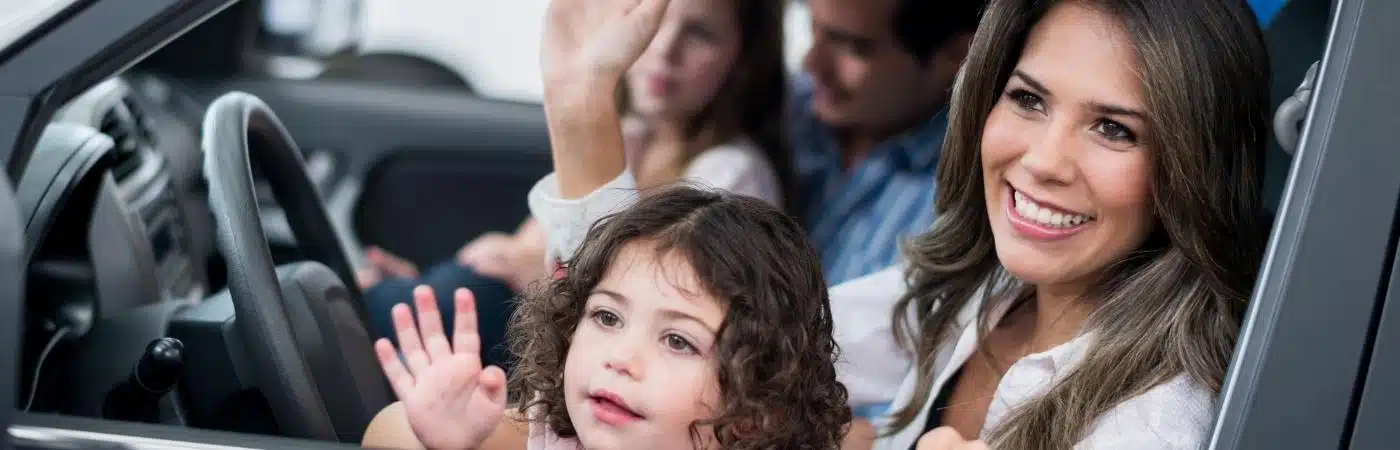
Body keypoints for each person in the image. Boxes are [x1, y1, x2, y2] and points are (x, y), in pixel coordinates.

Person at [511, 0, 1273, 448]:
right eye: (1029, 101)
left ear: (1189, 166)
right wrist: (581, 107)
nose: (1041, 159)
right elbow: (723, 334)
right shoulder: (972, 289)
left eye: (1113, 129)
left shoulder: (1158, 421)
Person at [355, 0, 793, 371]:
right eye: (651, 20)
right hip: (535, 331)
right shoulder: (628, 135)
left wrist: (539, 276)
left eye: (700, 34)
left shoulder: (731, 173)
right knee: (382, 300)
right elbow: (530, 244)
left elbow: (664, 311)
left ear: (742, 59)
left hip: (577, 357)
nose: (663, 48)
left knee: (363, 319)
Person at [362, 186, 851, 449]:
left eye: (678, 341)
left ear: (754, 411)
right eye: (607, 318)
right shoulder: (552, 437)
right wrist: (443, 442)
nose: (620, 358)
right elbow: (386, 432)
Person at [794, 0, 983, 285]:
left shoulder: (956, 207)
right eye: (812, 28)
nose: (810, 63)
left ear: (958, 55)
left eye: (853, 46)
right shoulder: (783, 109)